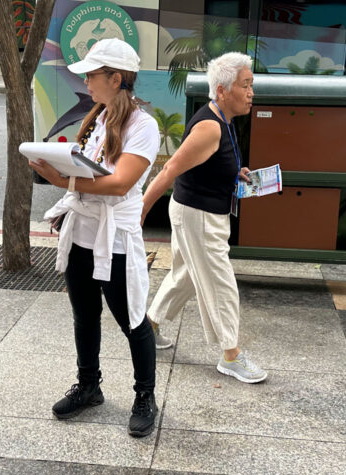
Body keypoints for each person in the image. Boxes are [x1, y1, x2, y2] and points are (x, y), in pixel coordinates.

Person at [30, 38, 160, 437]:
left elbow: (120, 183)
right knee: (84, 316)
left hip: (115, 237)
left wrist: (63, 178)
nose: (86, 81)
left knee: (132, 319)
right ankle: (89, 386)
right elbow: (90, 173)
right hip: (84, 231)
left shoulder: (143, 125)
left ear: (116, 78)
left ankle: (145, 396)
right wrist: (62, 169)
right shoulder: (98, 117)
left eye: (92, 74)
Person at [142, 52, 267, 384]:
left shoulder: (224, 118)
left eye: (251, 84)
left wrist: (234, 174)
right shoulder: (211, 126)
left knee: (185, 275)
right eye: (246, 84)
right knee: (220, 282)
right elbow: (169, 169)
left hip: (201, 212)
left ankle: (148, 327)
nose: (252, 91)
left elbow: (211, 163)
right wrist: (140, 211)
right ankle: (232, 355)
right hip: (197, 216)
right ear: (223, 90)